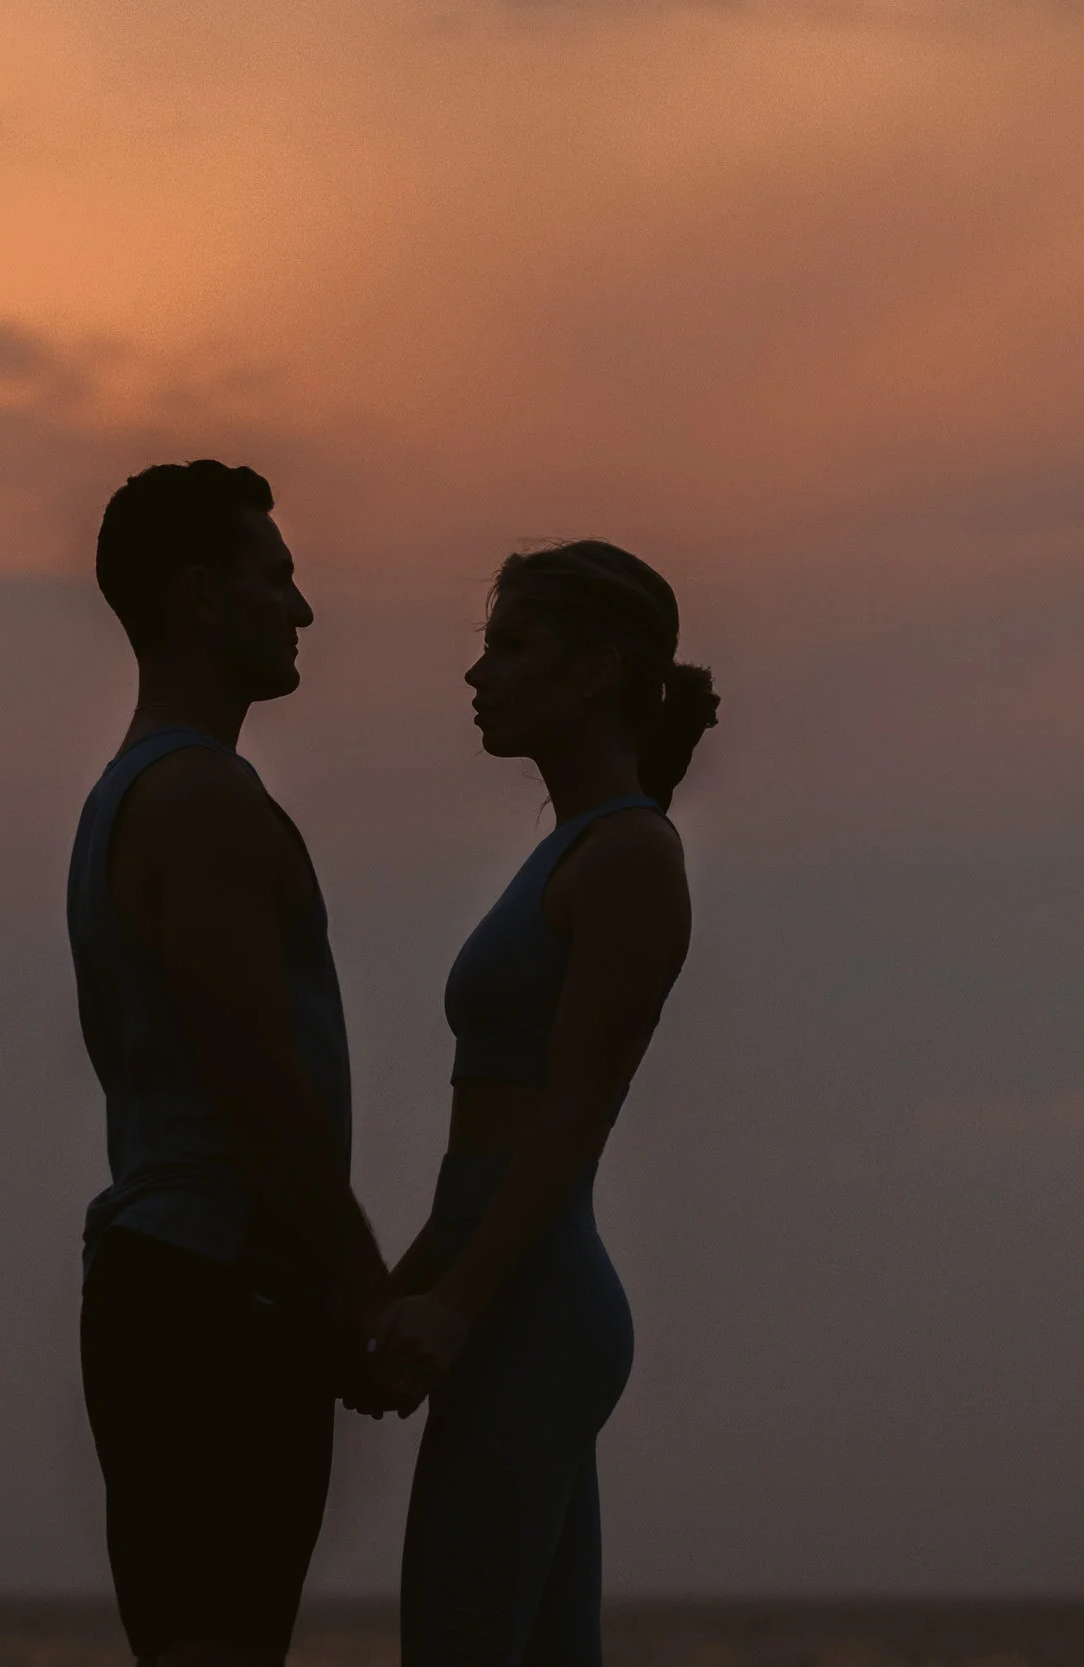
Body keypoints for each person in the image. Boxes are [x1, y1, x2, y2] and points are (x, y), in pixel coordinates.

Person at [68, 460, 393, 1667]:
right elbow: (259, 1088)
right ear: (201, 598)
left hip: (189, 1286)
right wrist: (364, 1295)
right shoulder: (199, 797)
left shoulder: (135, 793)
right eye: (278, 577)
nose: (300, 610)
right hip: (214, 1298)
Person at [373, 541, 720, 1667]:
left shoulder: (629, 854)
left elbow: (573, 1115)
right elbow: (491, 1140)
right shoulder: (568, 850)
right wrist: (406, 1282)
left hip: (534, 1306)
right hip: (502, 1292)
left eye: (509, 645)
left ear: (593, 672)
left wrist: (457, 1301)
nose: (478, 674)